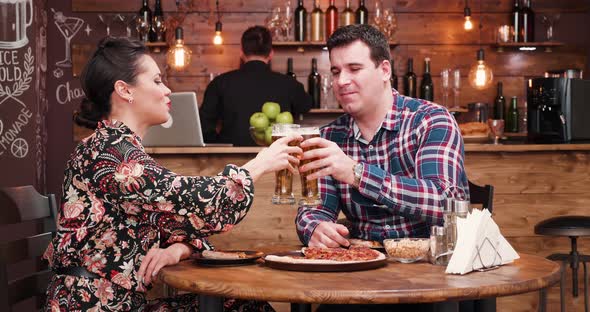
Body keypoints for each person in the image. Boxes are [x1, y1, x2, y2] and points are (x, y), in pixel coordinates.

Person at [43, 36, 302, 311]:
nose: (167, 90)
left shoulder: (118, 149)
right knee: (245, 307)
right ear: (124, 90)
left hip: (115, 304)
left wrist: (179, 248)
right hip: (93, 307)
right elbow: (196, 201)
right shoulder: (110, 154)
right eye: (156, 81)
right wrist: (259, 164)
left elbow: (180, 218)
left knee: (241, 304)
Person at [296, 24, 469, 249]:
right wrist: (315, 228)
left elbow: (446, 203)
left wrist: (357, 174)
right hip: (362, 265)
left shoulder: (431, 120)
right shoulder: (330, 136)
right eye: (336, 71)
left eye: (354, 69)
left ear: (385, 70)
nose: (341, 81)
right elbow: (314, 210)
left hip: (431, 263)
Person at [200, 25, 312, 146]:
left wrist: (222, 145)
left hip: (230, 159)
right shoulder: (289, 84)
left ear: (242, 53)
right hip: (276, 158)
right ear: (271, 54)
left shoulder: (219, 83)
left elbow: (203, 127)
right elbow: (306, 105)